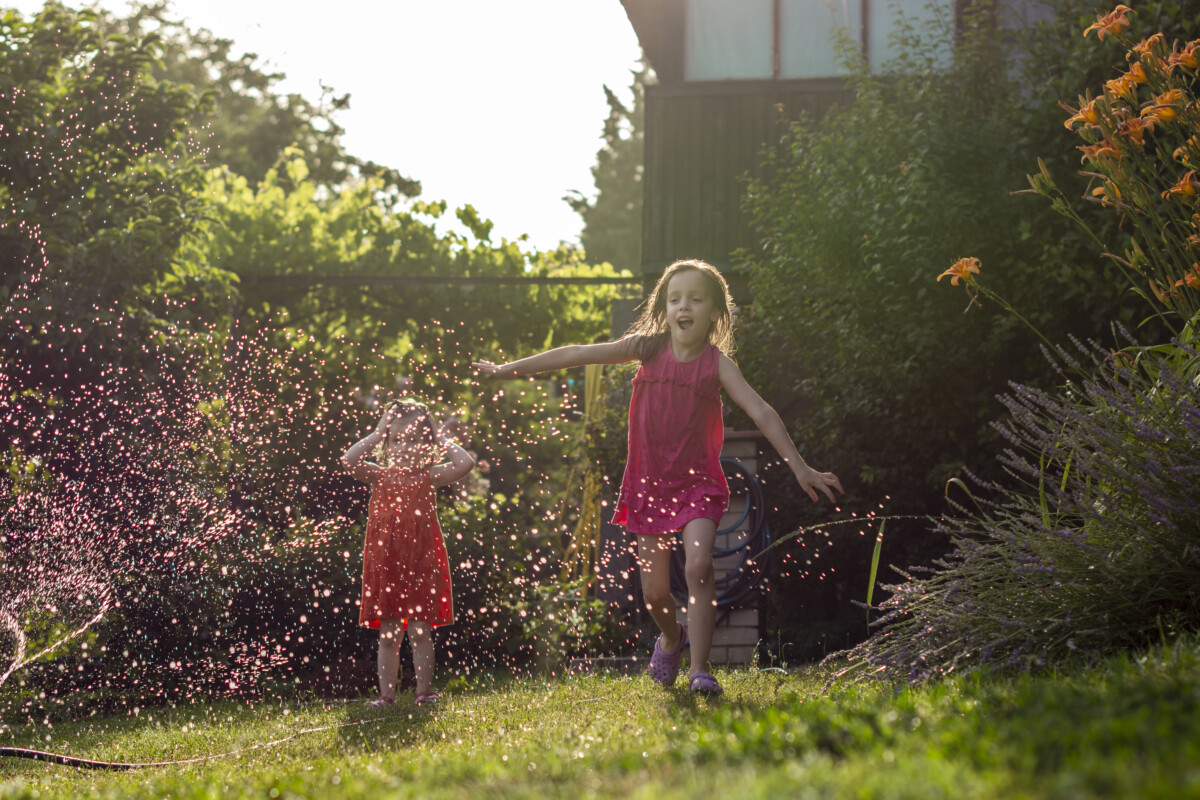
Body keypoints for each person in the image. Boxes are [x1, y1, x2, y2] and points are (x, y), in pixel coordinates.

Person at [473, 259, 842, 696]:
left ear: (714, 312)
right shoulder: (648, 348)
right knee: (654, 593)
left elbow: (762, 411)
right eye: (675, 299)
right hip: (649, 485)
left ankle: (700, 671)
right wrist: (509, 369)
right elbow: (577, 353)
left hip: (699, 484)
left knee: (701, 567)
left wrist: (801, 467)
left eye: (695, 298)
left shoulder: (717, 365)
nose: (684, 306)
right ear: (664, 308)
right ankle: (672, 637)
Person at [341, 398, 475, 707]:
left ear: (427, 444)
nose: (405, 446)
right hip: (386, 562)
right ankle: (387, 696)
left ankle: (424, 692)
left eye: (414, 439)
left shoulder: (429, 476)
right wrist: (376, 434)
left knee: (419, 629)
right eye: (398, 439)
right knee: (388, 632)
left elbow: (465, 464)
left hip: (419, 561)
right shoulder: (379, 476)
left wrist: (441, 437)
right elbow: (348, 461)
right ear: (388, 442)